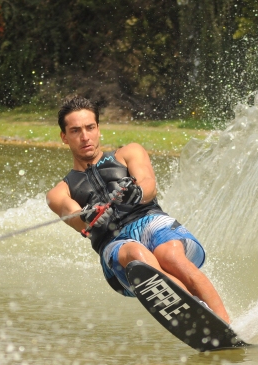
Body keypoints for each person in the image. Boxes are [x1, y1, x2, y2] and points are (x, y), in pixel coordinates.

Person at [46, 96, 230, 323]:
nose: (85, 137)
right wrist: (88, 217)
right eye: (75, 131)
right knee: (136, 255)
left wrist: (139, 192)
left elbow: (148, 182)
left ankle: (225, 324)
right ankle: (198, 316)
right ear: (64, 137)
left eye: (90, 128)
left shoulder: (128, 153)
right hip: (114, 245)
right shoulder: (58, 192)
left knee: (171, 256)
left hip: (150, 220)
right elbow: (72, 214)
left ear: (98, 129)